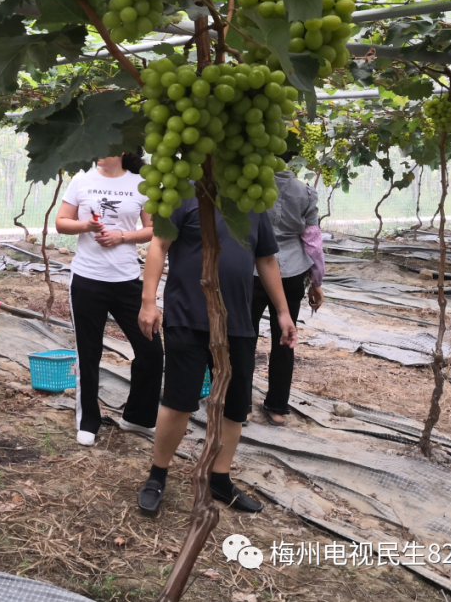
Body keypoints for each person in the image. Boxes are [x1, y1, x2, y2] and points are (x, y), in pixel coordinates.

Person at [137, 194, 297, 516]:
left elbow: (265, 259)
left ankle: (220, 477)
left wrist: (283, 311)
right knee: (179, 401)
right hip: (188, 316)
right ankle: (157, 474)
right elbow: (159, 244)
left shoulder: (252, 201)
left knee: (236, 406)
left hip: (237, 320)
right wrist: (148, 301)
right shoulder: (186, 194)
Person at [55, 151, 160, 447]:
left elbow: (153, 230)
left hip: (126, 280)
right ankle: (89, 420)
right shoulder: (82, 178)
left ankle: (137, 417)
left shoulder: (141, 182)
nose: (99, 150)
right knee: (89, 353)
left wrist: (122, 236)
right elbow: (62, 222)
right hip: (87, 278)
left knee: (151, 350)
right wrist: (87, 226)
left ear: (124, 149)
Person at [251, 148, 325, 425]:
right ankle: (277, 408)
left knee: (245, 336)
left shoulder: (252, 185)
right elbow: (313, 241)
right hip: (292, 271)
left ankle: (241, 403)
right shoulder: (305, 192)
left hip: (254, 268)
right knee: (285, 338)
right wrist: (316, 282)